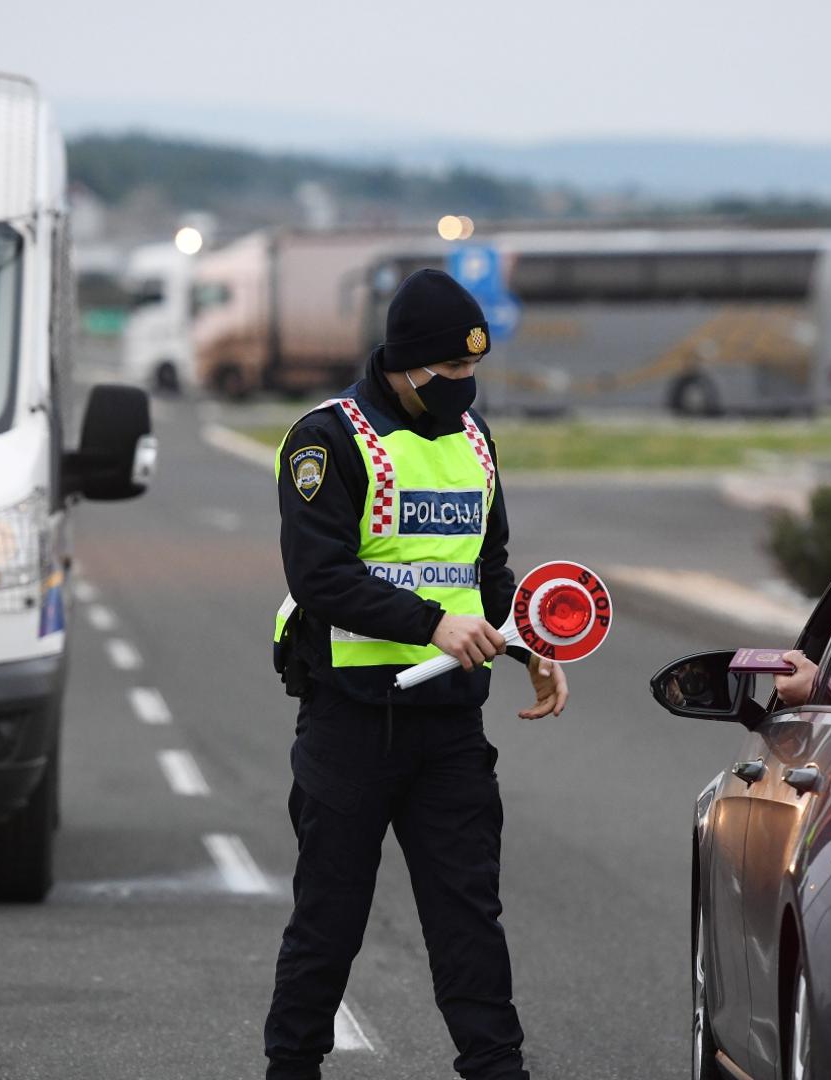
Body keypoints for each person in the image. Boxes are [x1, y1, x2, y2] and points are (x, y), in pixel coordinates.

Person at [263, 269, 565, 1080]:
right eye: (450, 374)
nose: (465, 389)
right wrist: (432, 624)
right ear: (404, 363)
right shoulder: (329, 439)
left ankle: (498, 1070)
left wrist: (531, 643)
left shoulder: (475, 441)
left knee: (469, 917)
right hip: (351, 722)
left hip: (449, 727)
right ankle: (292, 1068)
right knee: (329, 921)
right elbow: (319, 576)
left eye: (474, 374)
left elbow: (487, 564)